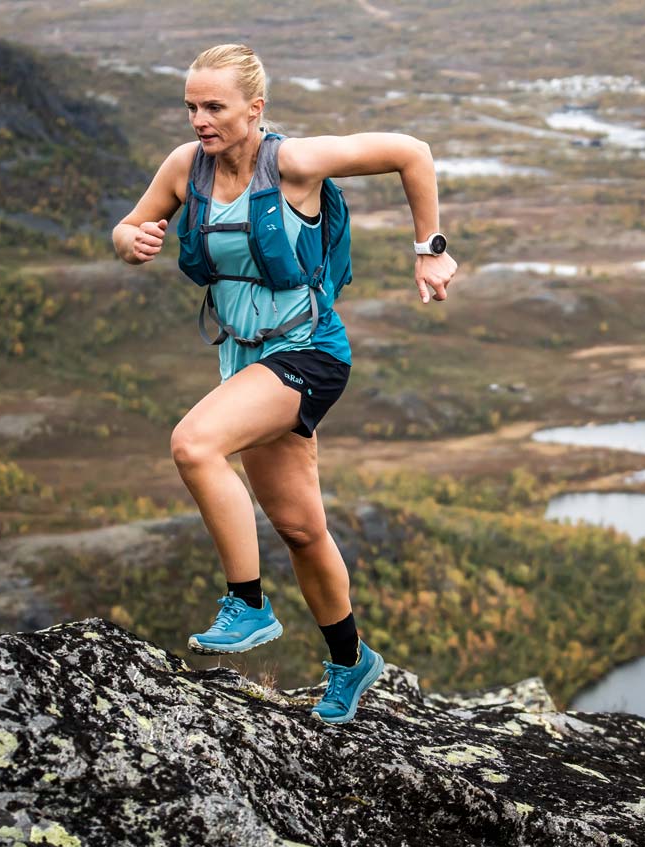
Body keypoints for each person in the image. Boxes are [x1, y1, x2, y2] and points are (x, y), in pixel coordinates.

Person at [112, 44, 458, 724]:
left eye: (214, 107)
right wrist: (132, 242)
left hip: (308, 352)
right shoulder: (186, 169)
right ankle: (351, 660)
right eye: (191, 106)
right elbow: (127, 226)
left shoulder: (291, 163)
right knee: (301, 528)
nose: (200, 120)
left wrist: (430, 250)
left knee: (194, 444)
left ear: (254, 109)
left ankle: (247, 603)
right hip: (245, 359)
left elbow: (411, 151)